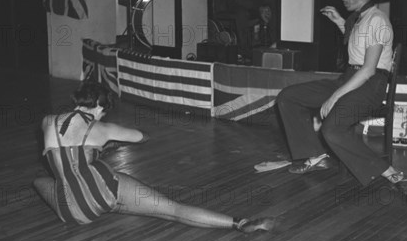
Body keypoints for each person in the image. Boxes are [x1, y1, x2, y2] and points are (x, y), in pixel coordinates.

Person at [33, 81, 274, 233]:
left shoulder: (47, 122)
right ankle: (239, 223)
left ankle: (111, 205)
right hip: (105, 191)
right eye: (103, 112)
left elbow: (67, 145)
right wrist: (109, 141)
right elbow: (141, 137)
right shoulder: (103, 129)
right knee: (173, 209)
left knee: (40, 181)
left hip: (72, 213)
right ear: (98, 107)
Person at [256, 0, 407, 196]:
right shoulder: (361, 18)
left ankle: (391, 172)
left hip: (370, 84)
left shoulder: (378, 19)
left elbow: (369, 68)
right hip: (351, 78)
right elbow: (357, 48)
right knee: (288, 97)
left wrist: (335, 96)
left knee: (332, 129)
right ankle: (315, 154)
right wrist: (340, 21)